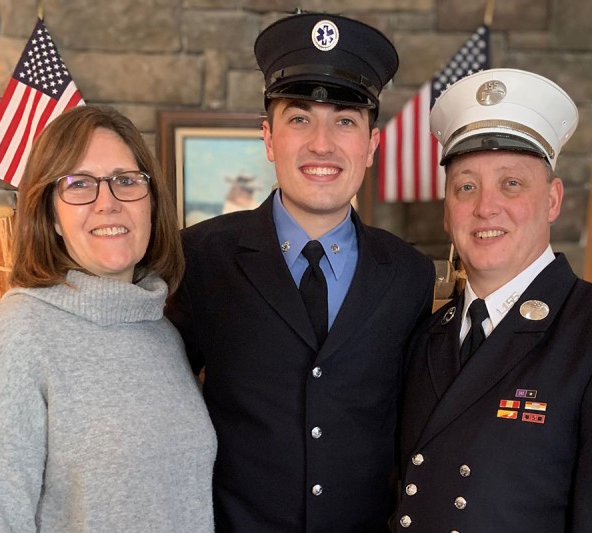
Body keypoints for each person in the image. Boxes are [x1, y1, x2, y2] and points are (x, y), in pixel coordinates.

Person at [165, 12, 435, 532]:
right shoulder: (202, 257)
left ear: (372, 146)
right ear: (268, 139)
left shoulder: (408, 274)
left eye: (346, 120)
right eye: (300, 118)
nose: (322, 144)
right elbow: (158, 394)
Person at [394, 68, 592, 532]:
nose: (486, 207)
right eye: (466, 186)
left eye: (511, 183)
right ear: (447, 211)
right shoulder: (426, 333)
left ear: (552, 200)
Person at [0, 106, 217, 532]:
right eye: (79, 185)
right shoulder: (17, 337)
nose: (107, 203)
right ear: (51, 216)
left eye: (126, 181)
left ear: (150, 202)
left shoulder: (162, 332)